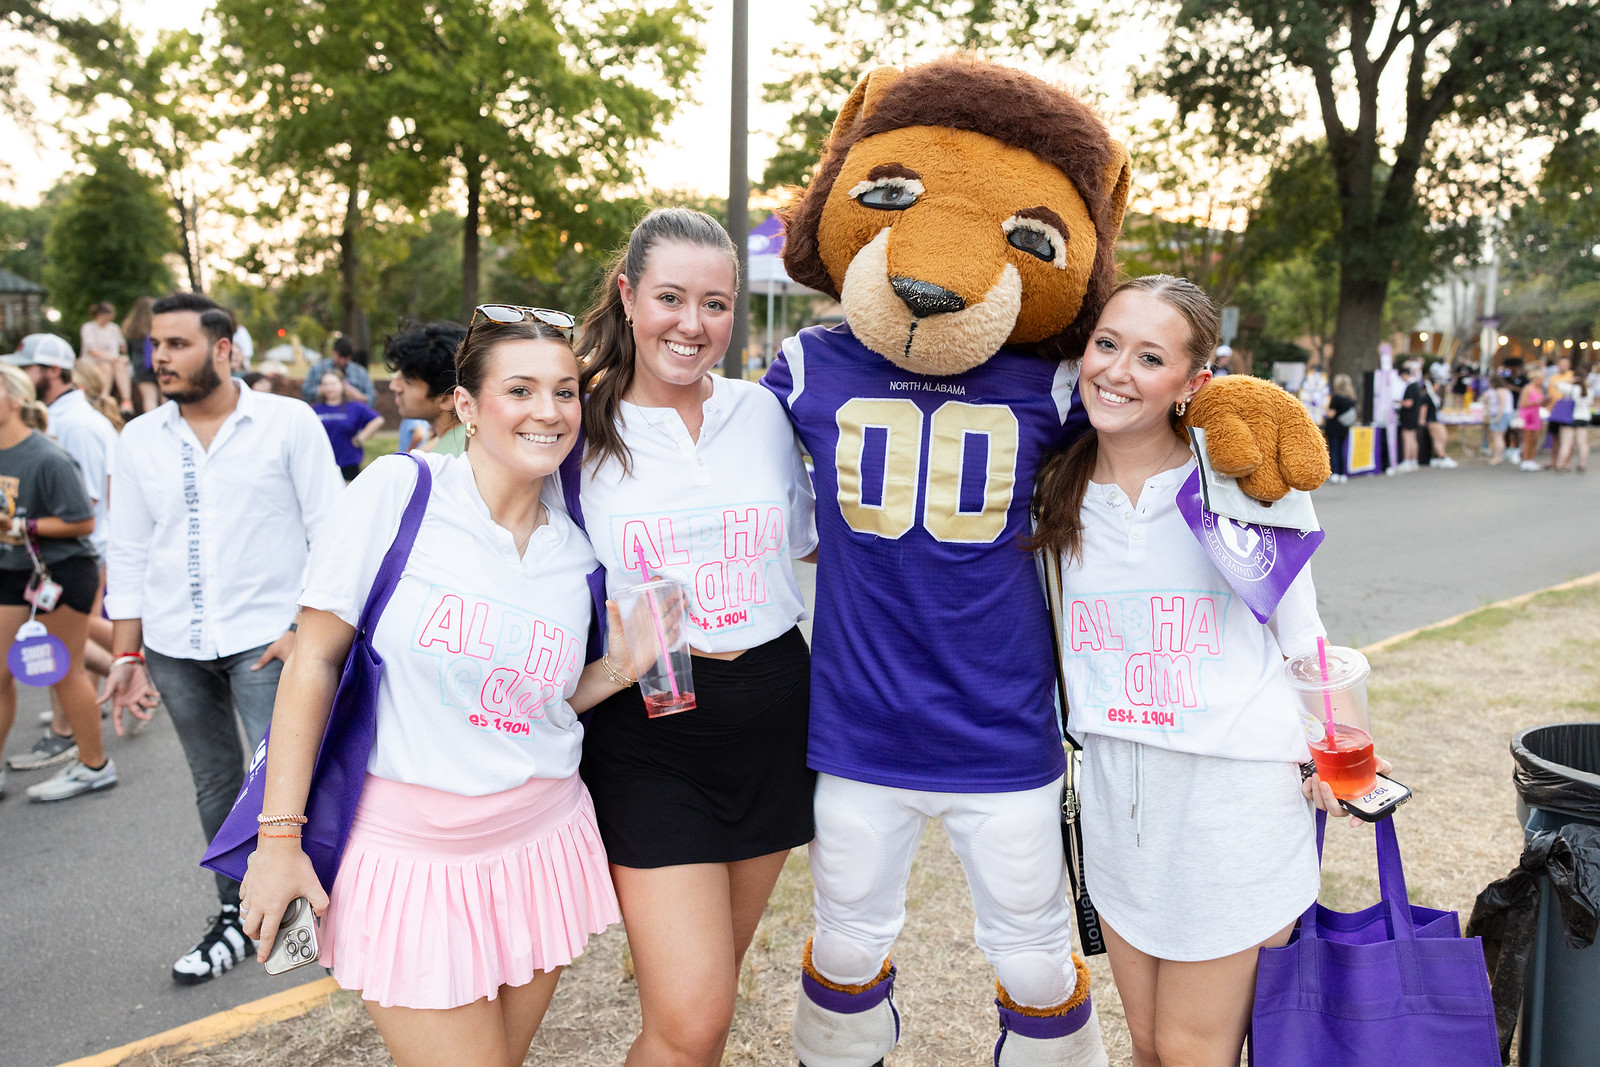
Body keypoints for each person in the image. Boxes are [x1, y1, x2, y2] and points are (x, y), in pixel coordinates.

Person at [238, 311, 649, 1066]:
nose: (548, 411)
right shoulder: (402, 491)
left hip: (540, 844)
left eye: (564, 391)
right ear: (466, 406)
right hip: (411, 863)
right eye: (519, 389)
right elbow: (313, 661)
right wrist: (279, 841)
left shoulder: (580, 549)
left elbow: (533, 707)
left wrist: (619, 668)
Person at [1031, 275, 1366, 1067]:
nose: (1117, 371)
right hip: (1115, 804)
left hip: (1232, 806)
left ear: (1194, 382)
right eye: (1107, 344)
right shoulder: (1054, 488)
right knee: (1149, 1045)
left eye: (1151, 357)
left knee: (1190, 1049)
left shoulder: (1243, 485)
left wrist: (1344, 747)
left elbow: (1304, 636)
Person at [572, 207, 818, 1066]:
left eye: (715, 304)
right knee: (693, 1018)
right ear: (627, 294)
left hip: (774, 718)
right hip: (652, 732)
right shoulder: (577, 427)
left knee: (709, 1001)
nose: (692, 323)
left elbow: (813, 542)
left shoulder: (764, 415)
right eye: (670, 297)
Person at [101, 291, 344, 985]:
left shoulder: (287, 422)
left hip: (268, 642)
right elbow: (129, 550)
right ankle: (237, 916)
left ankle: (314, 916)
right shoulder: (138, 437)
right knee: (214, 784)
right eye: (155, 345)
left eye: (176, 344)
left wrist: (302, 629)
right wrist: (126, 652)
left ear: (224, 349)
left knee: (287, 783)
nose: (160, 357)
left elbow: (331, 529)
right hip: (174, 645)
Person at [2, 335, 119, 774]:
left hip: (67, 563)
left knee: (63, 665)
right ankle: (133, 670)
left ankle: (87, 756)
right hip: (20, 567)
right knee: (42, 661)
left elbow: (87, 510)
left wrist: (20, 526)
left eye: (28, 366)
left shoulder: (66, 436)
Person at [383, 321, 469, 456]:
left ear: (447, 399)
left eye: (408, 380)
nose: (394, 386)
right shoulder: (469, 442)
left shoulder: (447, 461)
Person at [311, 369, 385, 482]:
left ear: (342, 385)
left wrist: (361, 438)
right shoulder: (315, 409)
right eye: (325, 384)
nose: (329, 388)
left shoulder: (355, 407)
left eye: (333, 384)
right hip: (323, 463)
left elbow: (378, 420)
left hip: (348, 463)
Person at [80, 302, 134, 417]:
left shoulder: (113, 328)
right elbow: (92, 351)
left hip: (112, 361)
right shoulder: (88, 328)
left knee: (120, 366)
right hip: (93, 362)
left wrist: (124, 354)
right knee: (106, 367)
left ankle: (126, 400)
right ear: (99, 315)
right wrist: (112, 358)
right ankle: (104, 398)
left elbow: (122, 346)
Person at [301, 336, 377, 406]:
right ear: (333, 352)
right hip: (324, 411)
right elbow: (305, 393)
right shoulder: (317, 368)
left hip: (352, 411)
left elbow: (373, 398)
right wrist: (324, 389)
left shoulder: (360, 372)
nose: (342, 361)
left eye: (346, 358)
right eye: (340, 357)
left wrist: (357, 396)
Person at [124, 297, 160, 415]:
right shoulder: (158, 326)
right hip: (159, 364)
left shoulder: (132, 328)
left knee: (149, 399)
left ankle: (153, 424)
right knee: (166, 398)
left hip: (141, 368)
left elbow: (129, 352)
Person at [1324, 373, 1358, 483]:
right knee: (1341, 450)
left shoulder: (1336, 398)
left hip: (1334, 427)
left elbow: (1331, 414)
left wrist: (1324, 410)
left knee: (1334, 450)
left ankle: (1335, 473)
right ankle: (1342, 473)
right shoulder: (1351, 398)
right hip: (1344, 428)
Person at [1422, 366, 1456, 468]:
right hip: (1431, 420)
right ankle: (1442, 457)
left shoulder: (1435, 396)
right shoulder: (1427, 396)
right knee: (1437, 439)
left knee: (1443, 437)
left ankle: (1438, 456)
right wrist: (1422, 420)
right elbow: (1423, 409)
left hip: (1437, 419)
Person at [1397, 360, 1424, 472]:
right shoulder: (1416, 386)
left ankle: (1407, 460)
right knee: (1413, 438)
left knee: (1407, 438)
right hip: (1414, 416)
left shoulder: (1410, 387)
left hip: (1408, 416)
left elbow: (1408, 403)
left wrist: (1398, 402)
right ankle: (1414, 460)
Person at [1518, 369, 1545, 471]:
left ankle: (1531, 459)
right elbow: (1523, 403)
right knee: (1527, 439)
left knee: (1535, 439)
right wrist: (1536, 402)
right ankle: (1525, 460)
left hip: (1536, 415)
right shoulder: (1528, 389)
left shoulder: (1540, 389)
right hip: (1528, 416)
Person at [1486, 373, 1515, 466]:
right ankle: (1499, 456)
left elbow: (1502, 404)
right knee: (1500, 436)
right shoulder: (1506, 390)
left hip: (1501, 415)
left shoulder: (1500, 391)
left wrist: (1498, 417)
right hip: (1506, 414)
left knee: (1498, 437)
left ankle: (1497, 457)